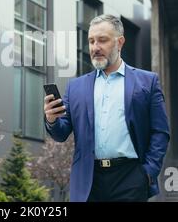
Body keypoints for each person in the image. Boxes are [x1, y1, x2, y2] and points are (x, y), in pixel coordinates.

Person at [44, 14, 170, 202]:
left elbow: (160, 132)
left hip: (130, 178)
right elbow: (61, 134)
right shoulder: (75, 87)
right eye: (91, 41)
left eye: (102, 40)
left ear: (120, 42)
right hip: (88, 180)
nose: (95, 47)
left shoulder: (147, 82)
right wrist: (52, 119)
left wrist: (147, 172)